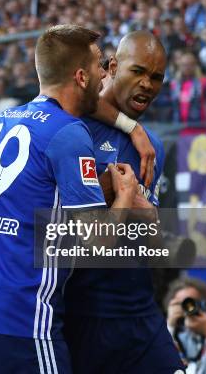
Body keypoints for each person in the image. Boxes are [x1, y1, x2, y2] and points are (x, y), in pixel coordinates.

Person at [0, 24, 138, 374]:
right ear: (81, 76)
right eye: (100, 65)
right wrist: (125, 197)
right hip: (24, 325)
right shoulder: (69, 133)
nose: (104, 75)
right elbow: (97, 240)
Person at [63, 31, 185, 374]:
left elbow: (150, 241)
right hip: (83, 315)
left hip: (139, 311)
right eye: (138, 72)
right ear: (112, 67)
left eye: (157, 77)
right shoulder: (72, 127)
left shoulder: (153, 149)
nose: (147, 84)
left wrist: (150, 218)